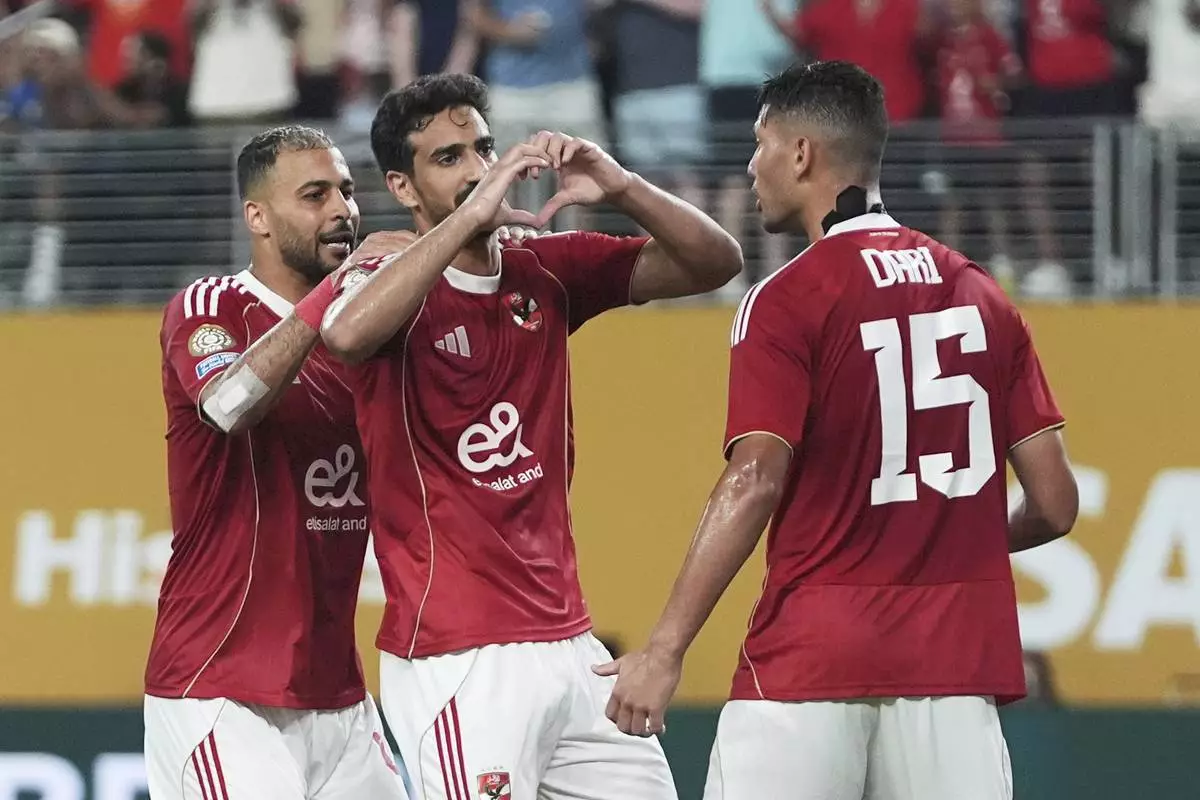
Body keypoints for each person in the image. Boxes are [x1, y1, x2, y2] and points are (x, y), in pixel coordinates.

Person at [600, 61, 1080, 800]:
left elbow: (754, 478)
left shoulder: (787, 299)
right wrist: (940, 535)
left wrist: (664, 649)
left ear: (801, 154)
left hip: (812, 660)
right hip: (955, 667)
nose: (750, 165)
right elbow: (1054, 504)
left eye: (760, 143)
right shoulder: (983, 295)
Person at [317, 72, 743, 800]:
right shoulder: (383, 272)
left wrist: (623, 187)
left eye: (484, 149)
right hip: (459, 655)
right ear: (402, 186)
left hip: (571, 645)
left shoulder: (543, 266)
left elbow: (717, 261)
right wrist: (466, 222)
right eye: (449, 158)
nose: (479, 169)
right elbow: (346, 334)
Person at [143, 125, 408, 800]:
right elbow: (229, 403)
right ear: (257, 217)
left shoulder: (373, 331)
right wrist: (338, 289)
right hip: (219, 688)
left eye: (346, 192)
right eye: (315, 196)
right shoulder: (212, 305)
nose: (342, 210)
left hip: (338, 697)